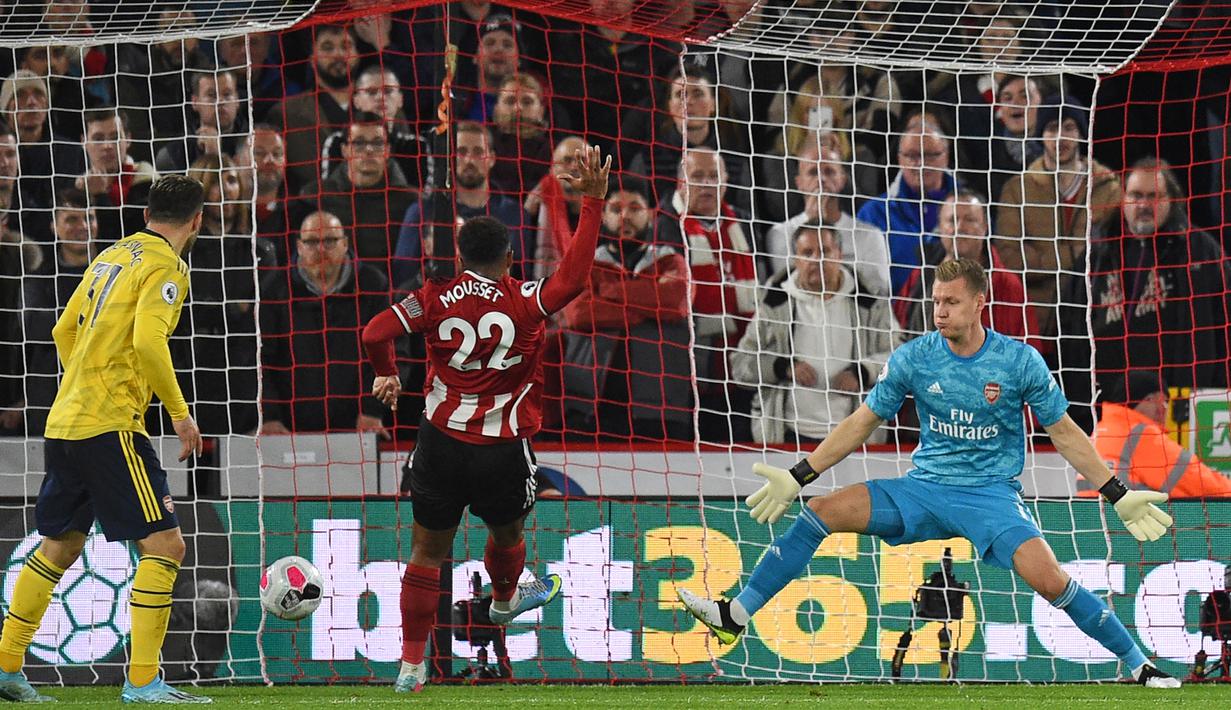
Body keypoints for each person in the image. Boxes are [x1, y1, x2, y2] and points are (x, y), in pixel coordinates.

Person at [676, 258, 1182, 690]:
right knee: (820, 513)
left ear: (980, 303)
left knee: (1052, 582)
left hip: (990, 497)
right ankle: (732, 617)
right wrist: (800, 472)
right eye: (936, 301)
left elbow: (1068, 433)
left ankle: (1139, 666)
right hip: (922, 488)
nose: (940, 311)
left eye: (952, 302)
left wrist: (1116, 493)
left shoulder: (1018, 361)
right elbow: (863, 420)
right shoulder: (915, 357)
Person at [360, 145, 610, 694]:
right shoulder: (525, 297)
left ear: (459, 253)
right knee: (508, 530)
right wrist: (591, 203)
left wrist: (387, 374)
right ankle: (503, 599)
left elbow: (374, 332)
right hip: (502, 446)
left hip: (440, 441)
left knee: (427, 550)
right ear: (511, 254)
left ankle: (409, 665)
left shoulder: (433, 297)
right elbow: (571, 281)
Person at [0, 176, 212, 703]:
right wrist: (182, 416)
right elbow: (147, 340)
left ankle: (5, 668)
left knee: (58, 547)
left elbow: (62, 331)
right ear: (197, 220)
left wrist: (86, 380)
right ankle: (143, 681)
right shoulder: (167, 265)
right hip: (111, 424)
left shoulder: (112, 255)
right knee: (165, 547)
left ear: (146, 213)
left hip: (66, 419)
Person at [732, 223, 895, 446]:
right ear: (796, 259)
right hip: (787, 436)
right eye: (808, 253)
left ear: (839, 254)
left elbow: (899, 358)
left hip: (854, 439)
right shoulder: (773, 304)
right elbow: (741, 365)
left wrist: (863, 372)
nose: (817, 260)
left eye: (825, 251)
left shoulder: (870, 303)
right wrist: (783, 367)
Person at [1083, 370, 1231, 498]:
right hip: (1128, 524)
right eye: (1163, 401)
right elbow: (1200, 483)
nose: (1164, 410)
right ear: (1147, 400)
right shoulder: (1141, 436)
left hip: (1090, 520)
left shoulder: (1100, 431)